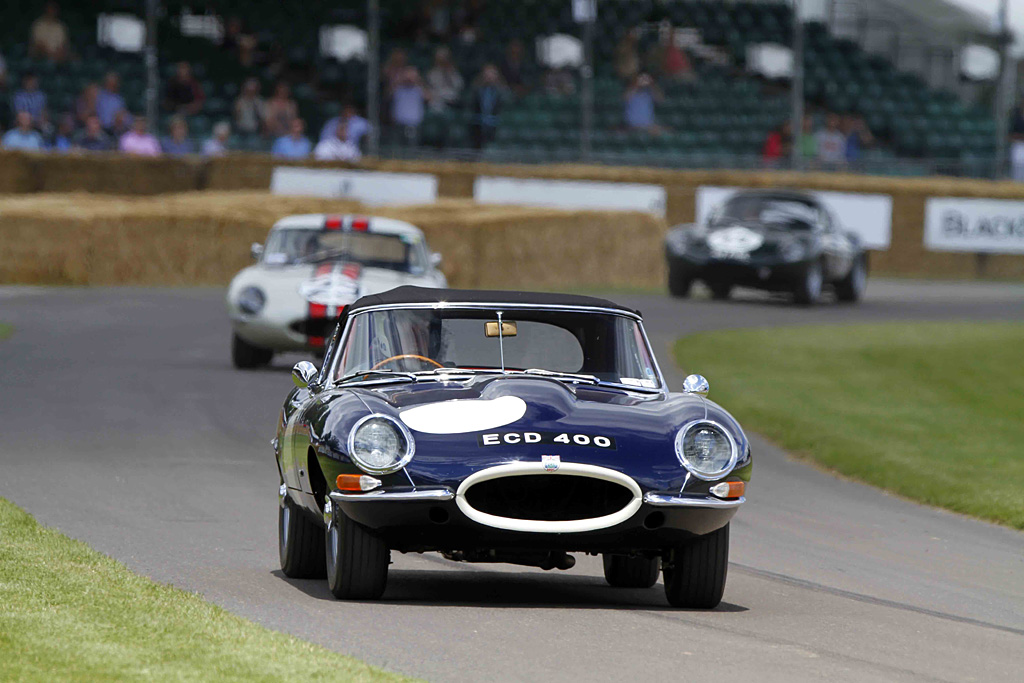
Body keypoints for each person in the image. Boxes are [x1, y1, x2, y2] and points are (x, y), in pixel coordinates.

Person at [468, 64, 506, 149]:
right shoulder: (476, 89)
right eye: (487, 74)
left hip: (496, 121)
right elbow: (471, 106)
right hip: (478, 121)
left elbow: (505, 106)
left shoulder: (501, 91)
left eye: (492, 74)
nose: (489, 76)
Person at [390, 66, 426, 145]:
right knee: (397, 148)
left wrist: (418, 81)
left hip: (414, 124)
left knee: (412, 147)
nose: (409, 78)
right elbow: (388, 95)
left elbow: (429, 97)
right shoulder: (398, 89)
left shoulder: (418, 89)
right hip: (399, 124)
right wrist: (399, 79)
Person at [426, 47, 463, 112]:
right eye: (440, 57)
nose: (443, 60)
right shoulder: (432, 73)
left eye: (445, 57)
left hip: (453, 101)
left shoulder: (454, 72)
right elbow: (432, 89)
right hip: (438, 101)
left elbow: (459, 85)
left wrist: (449, 73)